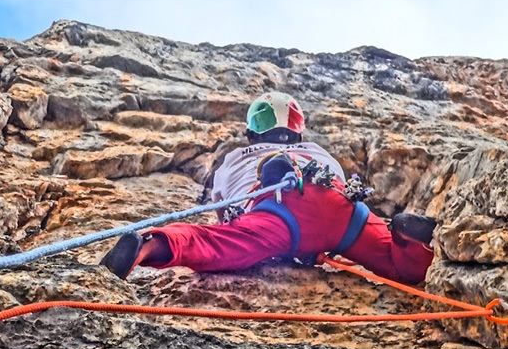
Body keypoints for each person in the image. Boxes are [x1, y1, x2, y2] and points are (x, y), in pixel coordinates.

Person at [101, 91, 436, 284]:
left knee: (214, 246)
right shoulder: (318, 151)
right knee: (397, 266)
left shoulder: (234, 157)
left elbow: (221, 210)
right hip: (341, 208)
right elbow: (334, 177)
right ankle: (407, 237)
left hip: (276, 210)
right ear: (298, 132)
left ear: (251, 134)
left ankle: (148, 245)